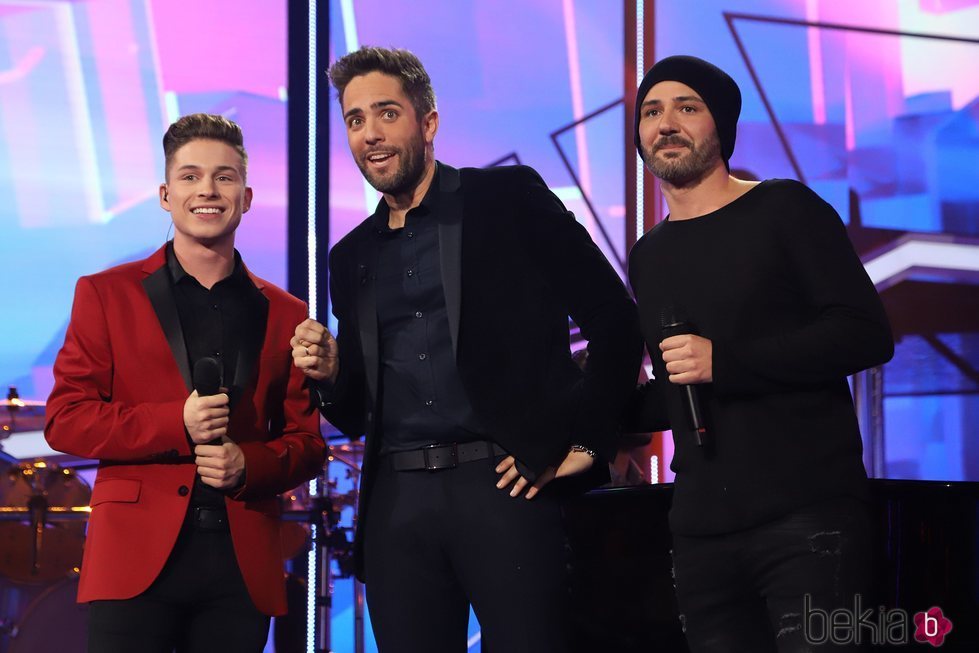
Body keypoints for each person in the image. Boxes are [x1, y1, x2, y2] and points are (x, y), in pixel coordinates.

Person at [291, 46, 641, 652]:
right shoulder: (350, 258)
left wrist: (585, 443)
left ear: (428, 122)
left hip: (503, 486)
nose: (369, 134)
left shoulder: (507, 199)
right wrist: (329, 374)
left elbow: (615, 320)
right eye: (354, 120)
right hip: (397, 504)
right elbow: (353, 412)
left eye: (386, 114)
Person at [626, 56, 894, 652]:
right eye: (651, 112)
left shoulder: (783, 208)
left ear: (720, 125)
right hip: (700, 532)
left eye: (686, 107)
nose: (666, 123)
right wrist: (576, 425)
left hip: (808, 519)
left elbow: (864, 333)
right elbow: (675, 388)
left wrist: (727, 362)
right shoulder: (649, 254)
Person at [45, 113, 326, 652]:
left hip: (240, 564)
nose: (207, 190)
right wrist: (175, 421)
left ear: (245, 197)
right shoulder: (106, 293)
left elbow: (308, 443)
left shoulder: (287, 312)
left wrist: (251, 464)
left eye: (223, 177)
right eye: (191, 176)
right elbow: (65, 419)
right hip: (132, 559)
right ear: (165, 194)